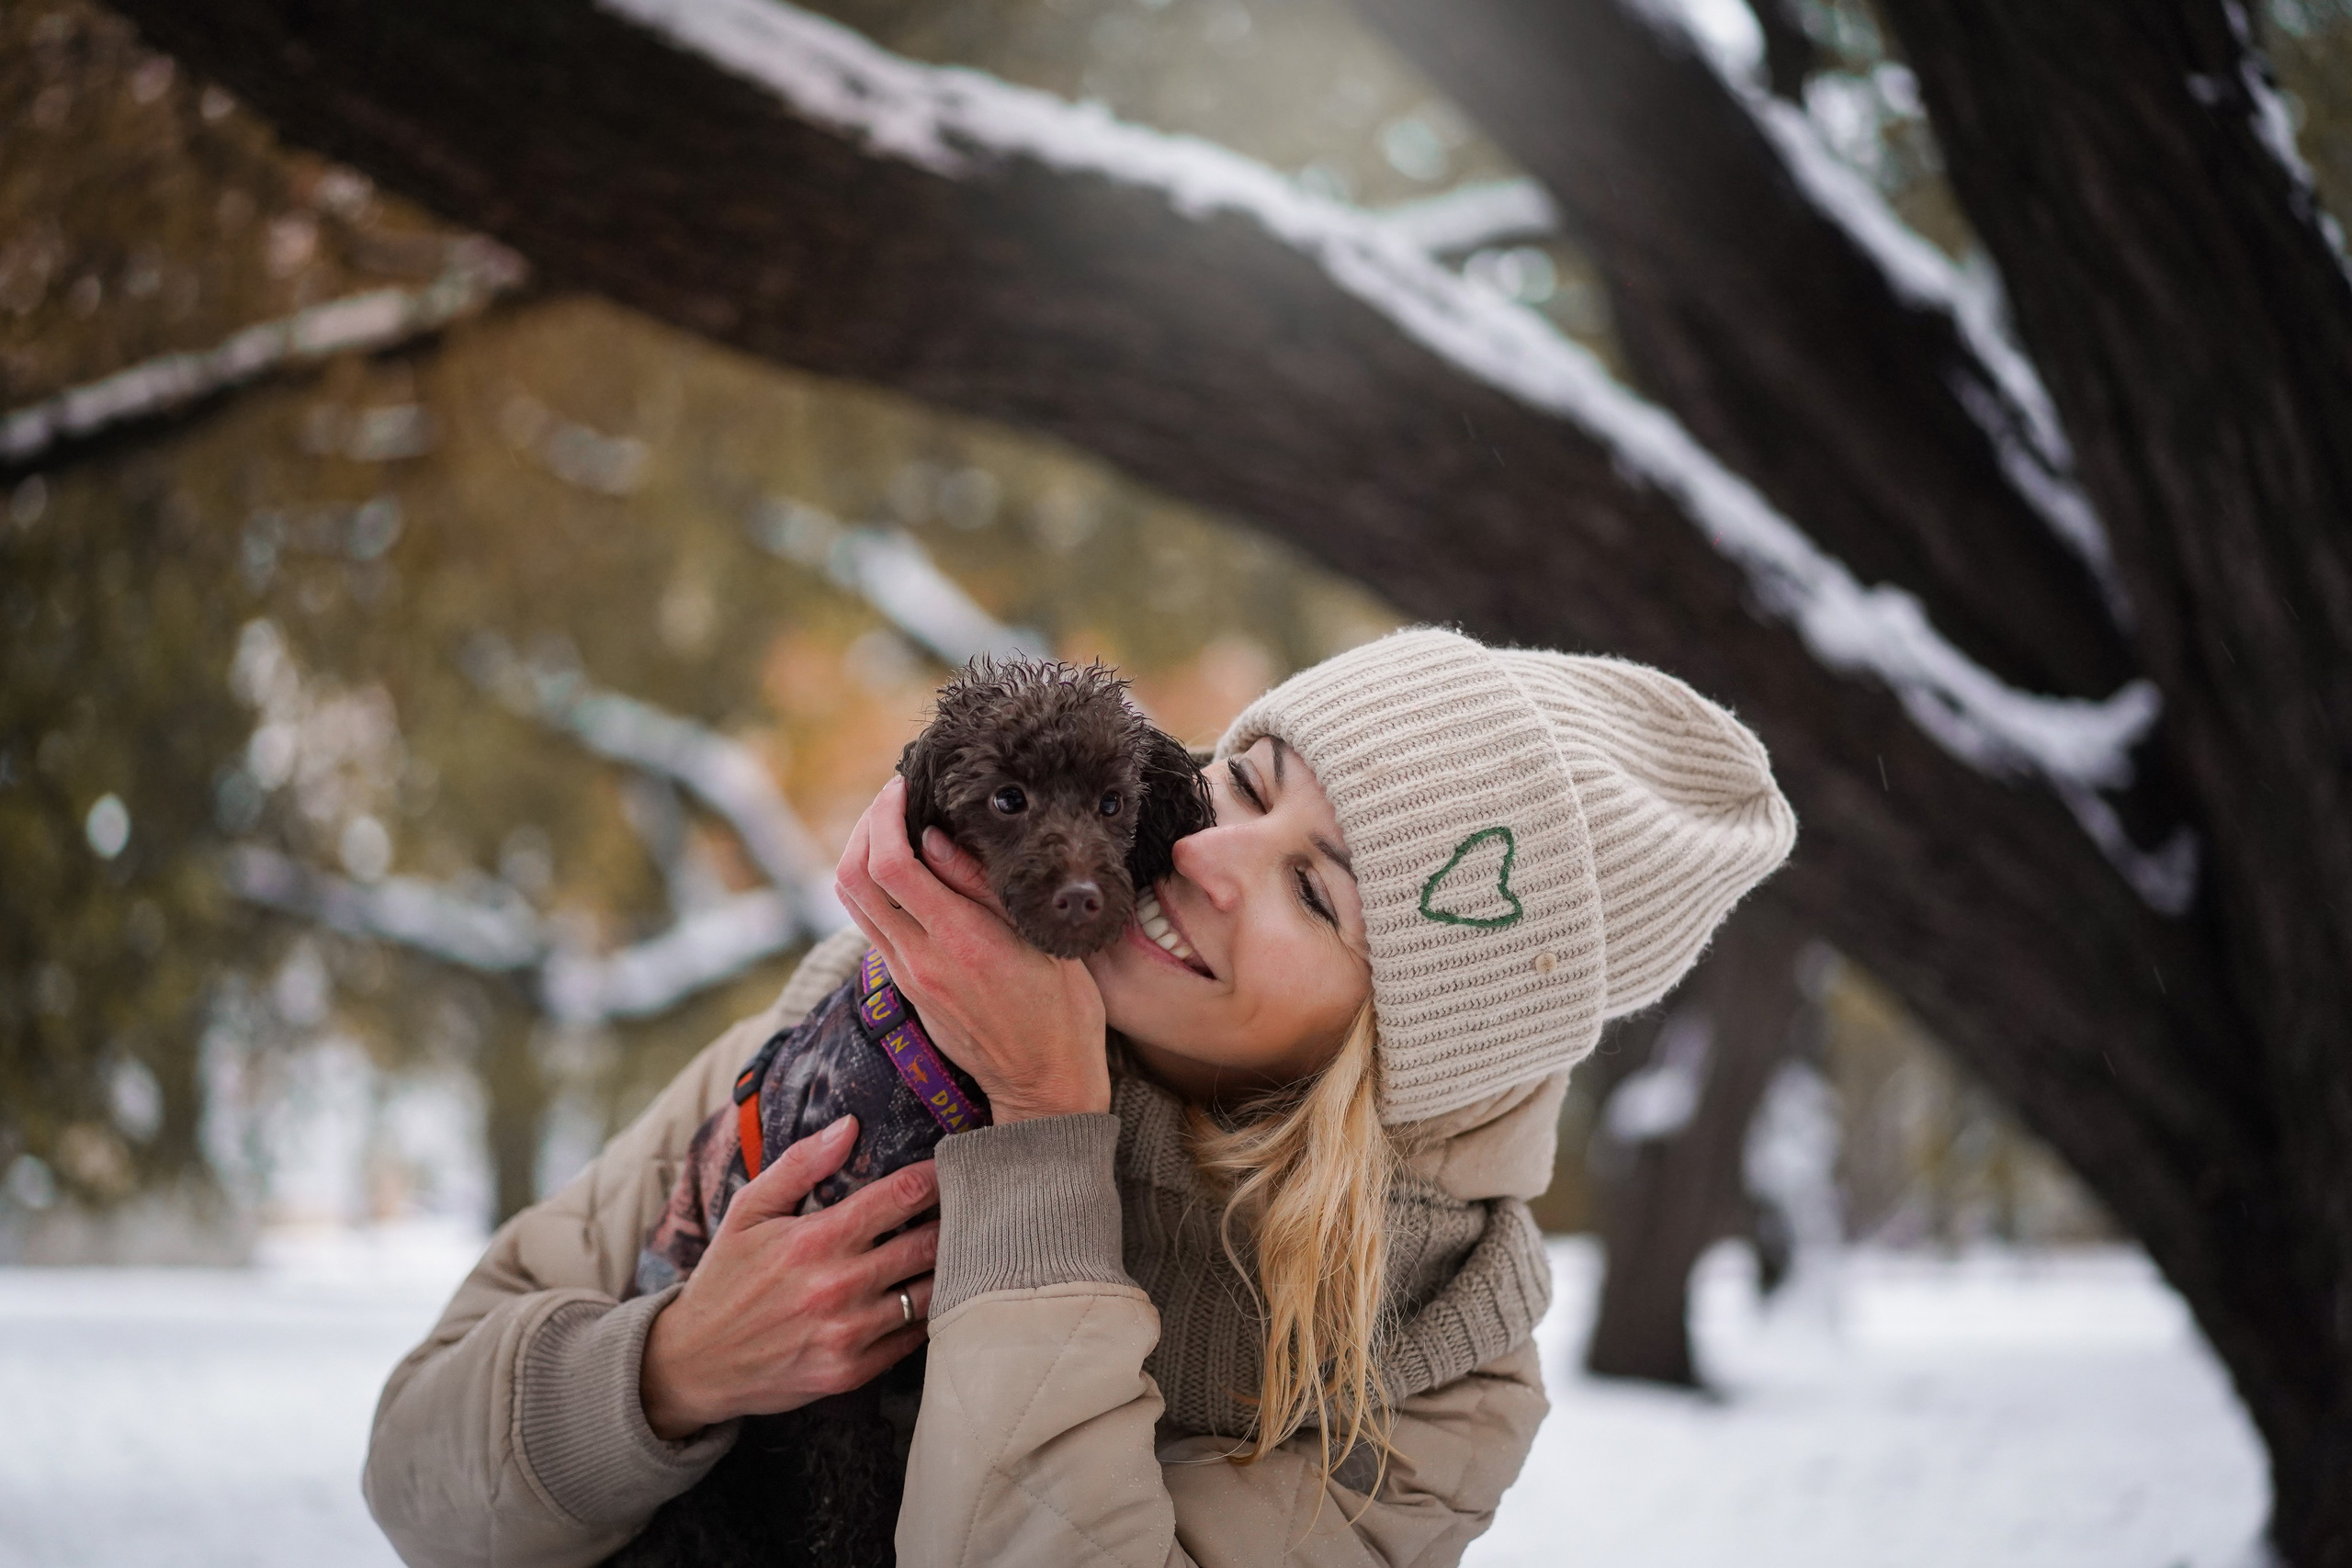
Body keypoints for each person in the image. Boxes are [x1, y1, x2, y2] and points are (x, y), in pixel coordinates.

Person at [361, 626, 1796, 1567]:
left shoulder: (1433, 1365)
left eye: (1315, 892)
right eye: (1244, 784)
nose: (1209, 861)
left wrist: (1044, 1142)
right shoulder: (861, 1024)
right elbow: (418, 1476)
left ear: (1413, 1040)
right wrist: (668, 1371)